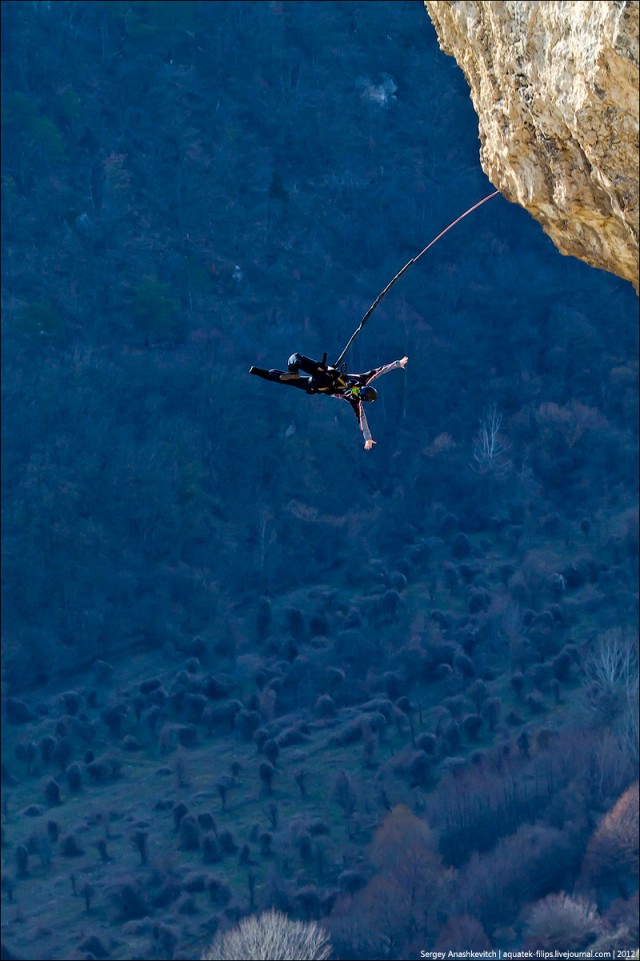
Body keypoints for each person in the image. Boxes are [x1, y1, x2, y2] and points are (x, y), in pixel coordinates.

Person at [249, 352, 408, 450]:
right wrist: (397, 364)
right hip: (316, 383)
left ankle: (287, 372)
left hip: (322, 378)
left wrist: (367, 438)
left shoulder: (359, 388)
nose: (357, 390)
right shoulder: (357, 393)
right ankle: (262, 372)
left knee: (295, 358)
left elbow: (379, 372)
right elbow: (381, 371)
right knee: (290, 371)